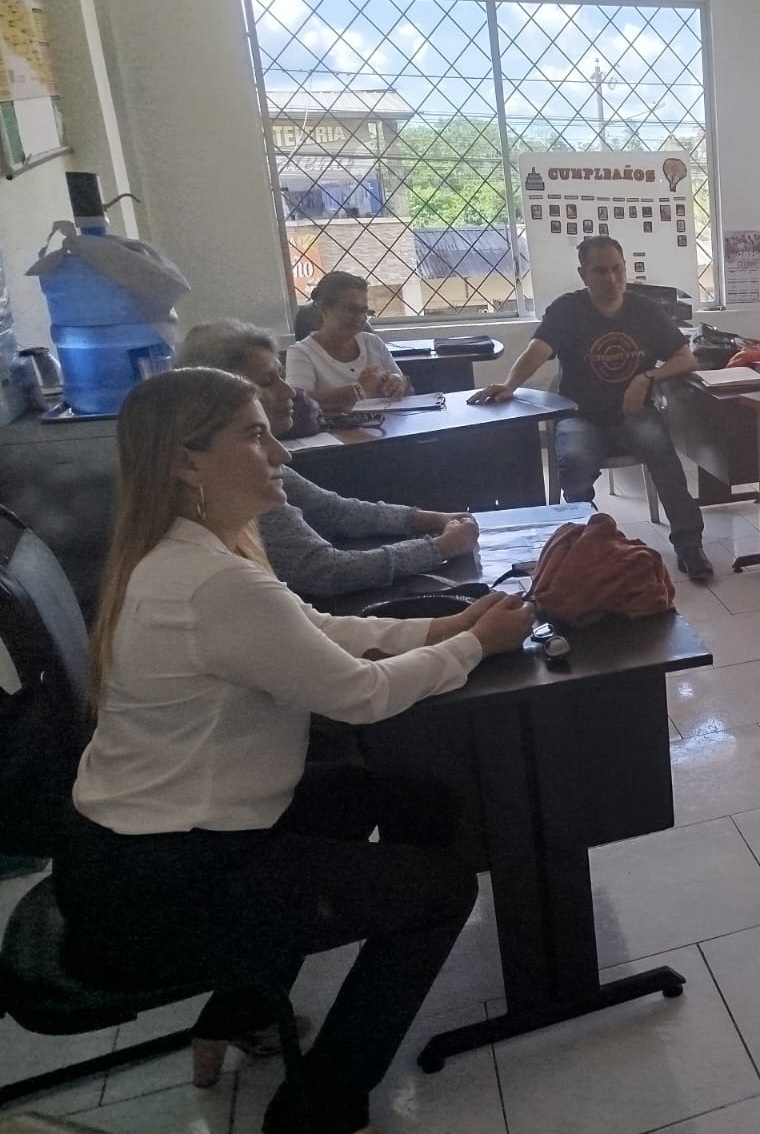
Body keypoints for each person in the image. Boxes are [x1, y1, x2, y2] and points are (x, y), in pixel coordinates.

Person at [53, 367, 537, 1134]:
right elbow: (360, 695)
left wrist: (445, 628)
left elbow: (316, 628)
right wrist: (476, 646)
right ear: (186, 462)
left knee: (408, 799)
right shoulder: (213, 583)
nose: (280, 451)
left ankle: (241, 1011)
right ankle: (318, 1111)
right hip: (159, 884)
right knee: (443, 890)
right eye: (254, 435)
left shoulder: (193, 557)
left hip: (138, 850)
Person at [469, 236, 713, 581]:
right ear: (583, 274)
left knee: (665, 458)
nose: (611, 278)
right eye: (600, 271)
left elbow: (686, 359)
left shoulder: (645, 310)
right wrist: (509, 385)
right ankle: (589, 548)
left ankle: (689, 545)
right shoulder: (567, 310)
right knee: (575, 464)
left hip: (633, 414)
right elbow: (537, 352)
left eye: (617, 269)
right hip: (580, 415)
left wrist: (647, 377)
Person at [178, 320, 480, 597]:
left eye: (281, 376)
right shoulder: (237, 471)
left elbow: (333, 511)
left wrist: (433, 519)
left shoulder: (257, 457)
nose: (289, 391)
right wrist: (440, 547)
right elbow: (324, 571)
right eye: (268, 381)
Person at [285, 271, 410, 412]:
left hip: (386, 422)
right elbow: (298, 402)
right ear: (324, 309)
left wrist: (399, 382)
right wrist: (357, 389)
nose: (360, 318)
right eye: (351, 309)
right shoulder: (301, 352)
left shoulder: (373, 342)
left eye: (364, 311)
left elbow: (404, 383)